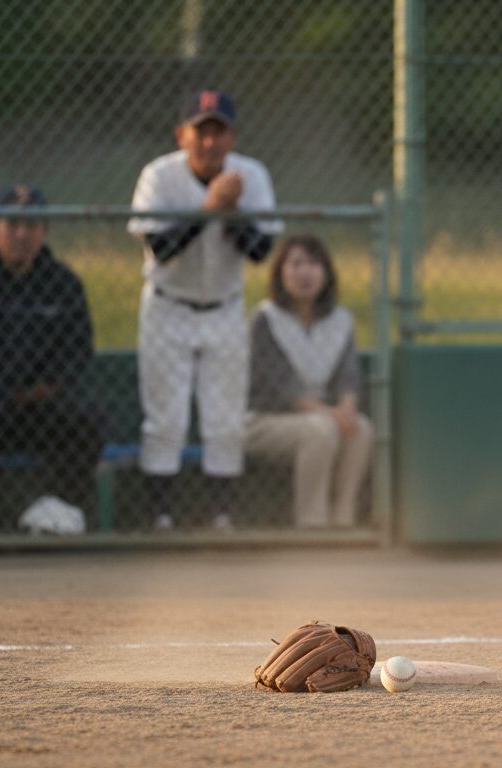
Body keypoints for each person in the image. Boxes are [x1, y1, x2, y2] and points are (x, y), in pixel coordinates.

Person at [127, 89, 283, 531]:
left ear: (233, 137)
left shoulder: (250, 175)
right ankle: (160, 517)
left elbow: (260, 251)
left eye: (219, 132)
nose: (210, 142)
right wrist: (209, 209)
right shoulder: (159, 176)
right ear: (182, 135)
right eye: (201, 131)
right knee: (166, 420)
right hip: (167, 307)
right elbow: (160, 247)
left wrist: (231, 213)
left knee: (225, 419)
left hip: (225, 308)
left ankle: (223, 518)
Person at [0, 184, 104, 534]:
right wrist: (0, 390)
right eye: (12, 225)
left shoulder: (63, 283)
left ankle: (59, 508)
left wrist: (47, 386)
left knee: (89, 418)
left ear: (45, 232)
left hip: (41, 404)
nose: (22, 235)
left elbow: (78, 351)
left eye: (32, 226)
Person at [246, 235, 373, 528]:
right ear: (280, 272)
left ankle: (343, 519)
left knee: (362, 430)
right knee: (321, 431)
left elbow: (348, 375)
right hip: (264, 421)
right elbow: (278, 387)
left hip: (321, 417)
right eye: (296, 264)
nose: (305, 273)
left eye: (314, 264)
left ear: (326, 274)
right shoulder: (265, 319)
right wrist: (331, 414)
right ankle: (312, 525)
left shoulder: (341, 320)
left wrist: (347, 407)